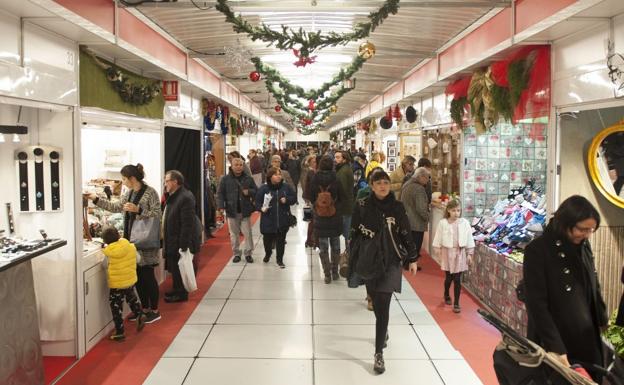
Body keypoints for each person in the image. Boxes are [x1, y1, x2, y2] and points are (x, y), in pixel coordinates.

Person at [523, 195, 607, 381]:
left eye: (591, 230)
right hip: (557, 339)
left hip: (586, 335)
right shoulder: (538, 250)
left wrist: (601, 316)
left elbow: (593, 282)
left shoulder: (583, 245)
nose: (586, 234)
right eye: (582, 229)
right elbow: (536, 304)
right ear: (565, 222)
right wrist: (555, 347)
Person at [349, 169, 419, 374]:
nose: (382, 186)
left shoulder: (397, 207)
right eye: (378, 183)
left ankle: (378, 353)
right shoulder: (362, 205)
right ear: (371, 186)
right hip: (369, 260)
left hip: (391, 260)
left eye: (386, 183)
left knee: (384, 305)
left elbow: (406, 231)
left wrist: (413, 258)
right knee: (375, 301)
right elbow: (353, 232)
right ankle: (383, 327)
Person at [87, 163, 162, 324]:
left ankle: (154, 310)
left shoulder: (150, 193)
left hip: (146, 242)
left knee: (148, 276)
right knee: (138, 277)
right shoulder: (128, 194)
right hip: (131, 241)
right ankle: (144, 309)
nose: (123, 182)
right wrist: (95, 199)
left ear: (132, 178)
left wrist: (139, 211)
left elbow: (157, 214)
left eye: (124, 178)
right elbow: (115, 207)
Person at [162, 170, 201, 303]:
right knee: (175, 267)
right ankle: (176, 289)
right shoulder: (173, 195)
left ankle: (181, 293)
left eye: (167, 181)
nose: (165, 183)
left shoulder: (185, 197)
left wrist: (183, 244)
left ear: (175, 182)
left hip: (180, 240)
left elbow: (187, 224)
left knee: (180, 268)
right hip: (173, 238)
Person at [101, 227, 145, 341]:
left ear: (105, 241)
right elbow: (138, 259)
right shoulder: (130, 246)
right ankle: (139, 313)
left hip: (117, 285)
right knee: (131, 298)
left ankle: (120, 332)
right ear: (119, 236)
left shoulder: (109, 253)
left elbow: (104, 265)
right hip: (129, 280)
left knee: (116, 307)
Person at [432, 199, 474, 313]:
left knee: (457, 279)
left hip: (460, 253)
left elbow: (469, 238)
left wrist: (470, 253)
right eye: (454, 210)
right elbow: (438, 237)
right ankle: (446, 293)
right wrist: (437, 250)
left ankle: (456, 303)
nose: (456, 213)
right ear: (448, 210)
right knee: (449, 278)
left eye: (458, 210)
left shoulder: (464, 223)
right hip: (447, 253)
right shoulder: (443, 223)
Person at [217, 157, 257, 264]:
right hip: (231, 211)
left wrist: (248, 192)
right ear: (232, 166)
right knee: (234, 234)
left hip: (245, 210)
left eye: (240, 165)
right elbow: (220, 194)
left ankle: (248, 254)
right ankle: (236, 254)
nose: (239, 167)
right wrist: (220, 207)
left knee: (247, 233)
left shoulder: (248, 178)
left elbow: (256, 191)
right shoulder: (225, 179)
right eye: (236, 165)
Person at [309, 155, 343, 283]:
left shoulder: (315, 178)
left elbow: (311, 196)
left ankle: (327, 274)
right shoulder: (336, 178)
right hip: (334, 216)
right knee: (335, 245)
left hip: (320, 216)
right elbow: (342, 196)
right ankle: (335, 272)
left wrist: (318, 206)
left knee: (323, 247)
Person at [256, 167, 297, 268]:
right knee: (267, 240)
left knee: (281, 241)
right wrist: (261, 208)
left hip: (282, 219)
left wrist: (286, 200)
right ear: (270, 177)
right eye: (276, 174)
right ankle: (268, 253)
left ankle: (280, 260)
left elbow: (294, 198)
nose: (279, 176)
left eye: (279, 174)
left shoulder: (286, 187)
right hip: (268, 220)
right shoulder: (264, 188)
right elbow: (257, 202)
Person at [401, 167, 431, 270]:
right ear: (421, 177)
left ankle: (406, 263)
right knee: (415, 245)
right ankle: (410, 264)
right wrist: (428, 218)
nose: (428, 180)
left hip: (406, 220)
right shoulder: (419, 189)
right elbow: (421, 208)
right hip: (416, 222)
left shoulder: (407, 184)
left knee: (408, 243)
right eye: (427, 177)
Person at [335, 150, 354, 246]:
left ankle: (349, 254)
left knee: (347, 232)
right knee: (347, 231)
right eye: (335, 157)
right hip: (346, 205)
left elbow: (343, 190)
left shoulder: (343, 171)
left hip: (344, 206)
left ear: (344, 159)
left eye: (338, 157)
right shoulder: (344, 168)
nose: (335, 159)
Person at [302, 155, 319, 248]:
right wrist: (307, 200)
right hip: (310, 200)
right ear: (310, 163)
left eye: (316, 162)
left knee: (313, 221)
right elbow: (306, 186)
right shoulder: (310, 172)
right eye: (313, 162)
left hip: (315, 199)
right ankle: (309, 240)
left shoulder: (315, 171)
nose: (315, 163)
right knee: (311, 221)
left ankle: (312, 240)